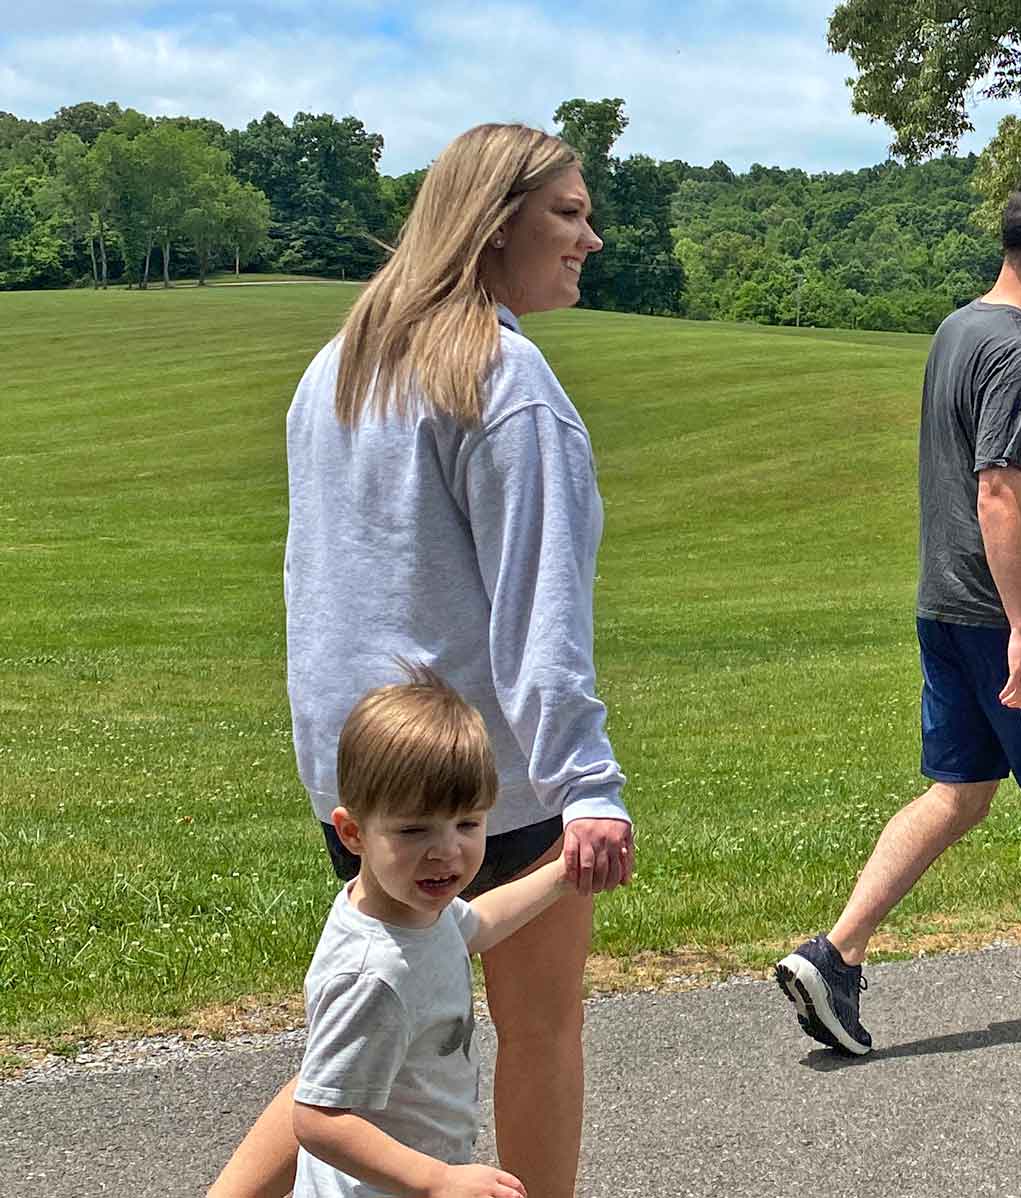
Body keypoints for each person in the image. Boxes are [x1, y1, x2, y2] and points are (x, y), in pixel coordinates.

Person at [210, 123, 633, 1198]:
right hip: (491, 781)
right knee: (538, 1031)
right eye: (569, 213)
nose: (591, 235)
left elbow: (314, 583)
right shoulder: (509, 380)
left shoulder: (339, 367)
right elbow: (543, 616)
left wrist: (336, 772)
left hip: (369, 775)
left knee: (374, 1028)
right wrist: (589, 786)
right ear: (495, 224)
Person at [775, 180, 1021, 1055]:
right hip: (1012, 614)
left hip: (944, 606)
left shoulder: (960, 329)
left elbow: (1008, 474)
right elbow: (997, 488)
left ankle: (833, 956)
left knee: (959, 792)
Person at [293, 666, 574, 1198]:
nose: (446, 850)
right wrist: (438, 1179)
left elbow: (480, 923)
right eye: (414, 829)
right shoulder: (372, 975)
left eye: (468, 824)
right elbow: (318, 1119)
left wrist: (562, 877)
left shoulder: (412, 912)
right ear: (353, 832)